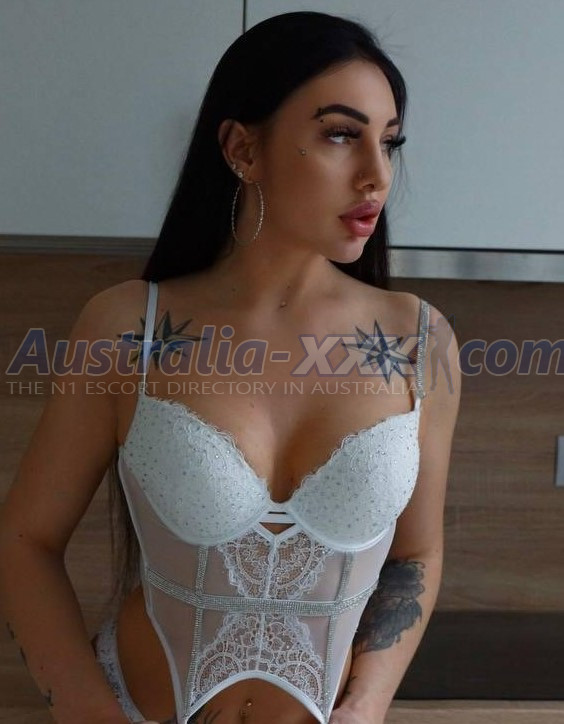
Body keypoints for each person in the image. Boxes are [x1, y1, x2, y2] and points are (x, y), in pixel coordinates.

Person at [0, 10, 461, 724]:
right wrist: (90, 714)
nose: (377, 176)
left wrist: (366, 706)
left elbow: (415, 556)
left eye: (389, 142)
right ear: (243, 148)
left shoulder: (418, 342)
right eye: (342, 135)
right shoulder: (127, 328)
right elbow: (24, 542)